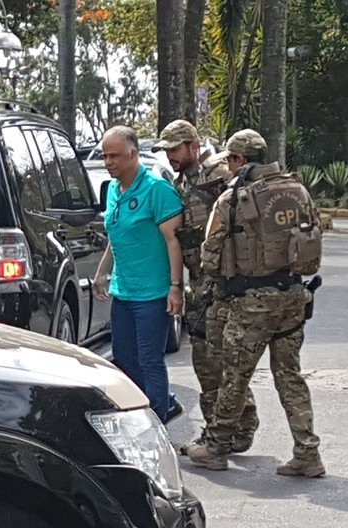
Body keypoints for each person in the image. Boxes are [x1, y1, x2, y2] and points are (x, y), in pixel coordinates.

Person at [188, 129, 325, 477]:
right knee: (289, 375)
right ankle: (308, 453)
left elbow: (211, 255)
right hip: (294, 295)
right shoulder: (298, 190)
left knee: (234, 376)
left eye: (230, 159)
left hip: (251, 302)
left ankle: (216, 447)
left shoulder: (233, 198)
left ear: (239, 159)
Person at [151, 120, 260, 455]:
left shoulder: (220, 175)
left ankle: (238, 425)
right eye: (166, 150)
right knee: (203, 360)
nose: (170, 155)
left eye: (175, 148)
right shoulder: (177, 184)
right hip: (198, 285)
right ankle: (218, 432)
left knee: (227, 359)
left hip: (227, 283)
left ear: (193, 147)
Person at [93, 125, 185, 423]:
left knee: (150, 360)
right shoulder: (113, 191)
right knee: (125, 359)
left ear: (133, 155)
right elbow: (115, 235)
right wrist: (102, 273)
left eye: (115, 156)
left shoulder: (156, 190)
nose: (109, 162)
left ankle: (156, 420)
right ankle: (161, 403)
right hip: (124, 291)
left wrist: (175, 287)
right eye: (106, 156)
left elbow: (174, 240)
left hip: (153, 293)